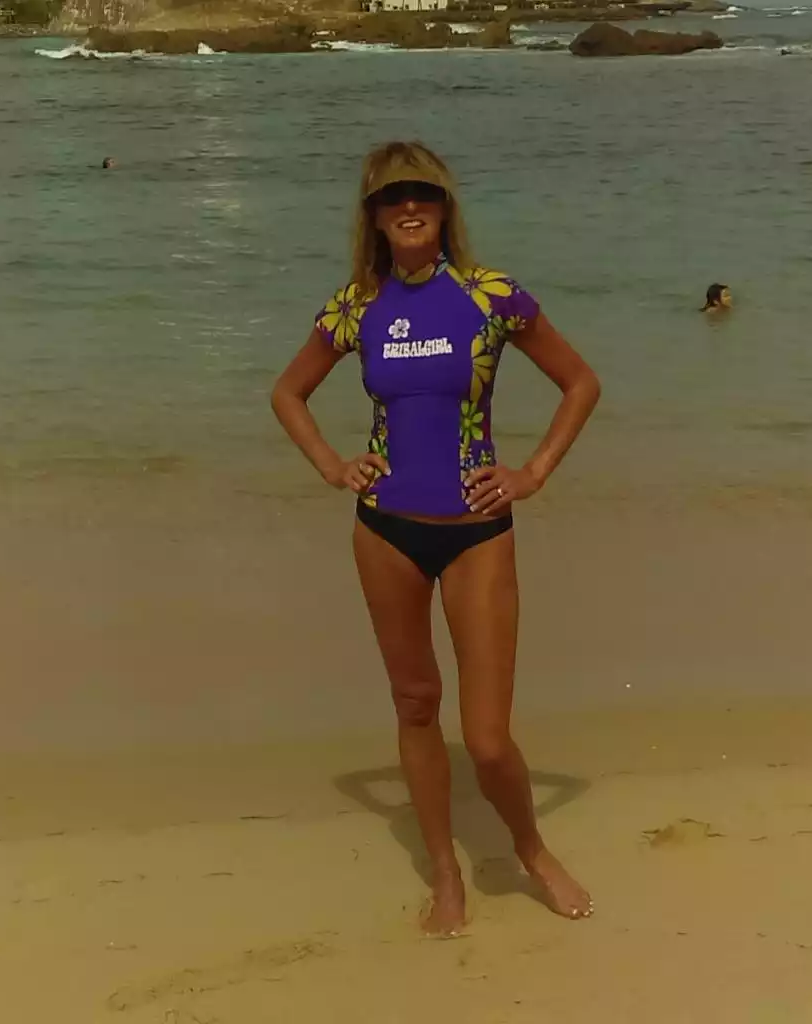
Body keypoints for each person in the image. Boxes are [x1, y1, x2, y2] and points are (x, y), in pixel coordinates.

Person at [270, 141, 601, 935]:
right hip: (384, 532)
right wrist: (332, 465)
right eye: (393, 198)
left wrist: (533, 472)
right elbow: (288, 392)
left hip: (477, 532)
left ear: (445, 207)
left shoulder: (491, 296)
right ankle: (445, 873)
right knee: (416, 703)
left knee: (485, 739)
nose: (409, 207)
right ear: (374, 216)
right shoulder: (356, 306)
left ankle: (531, 850)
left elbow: (580, 383)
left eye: (422, 194)